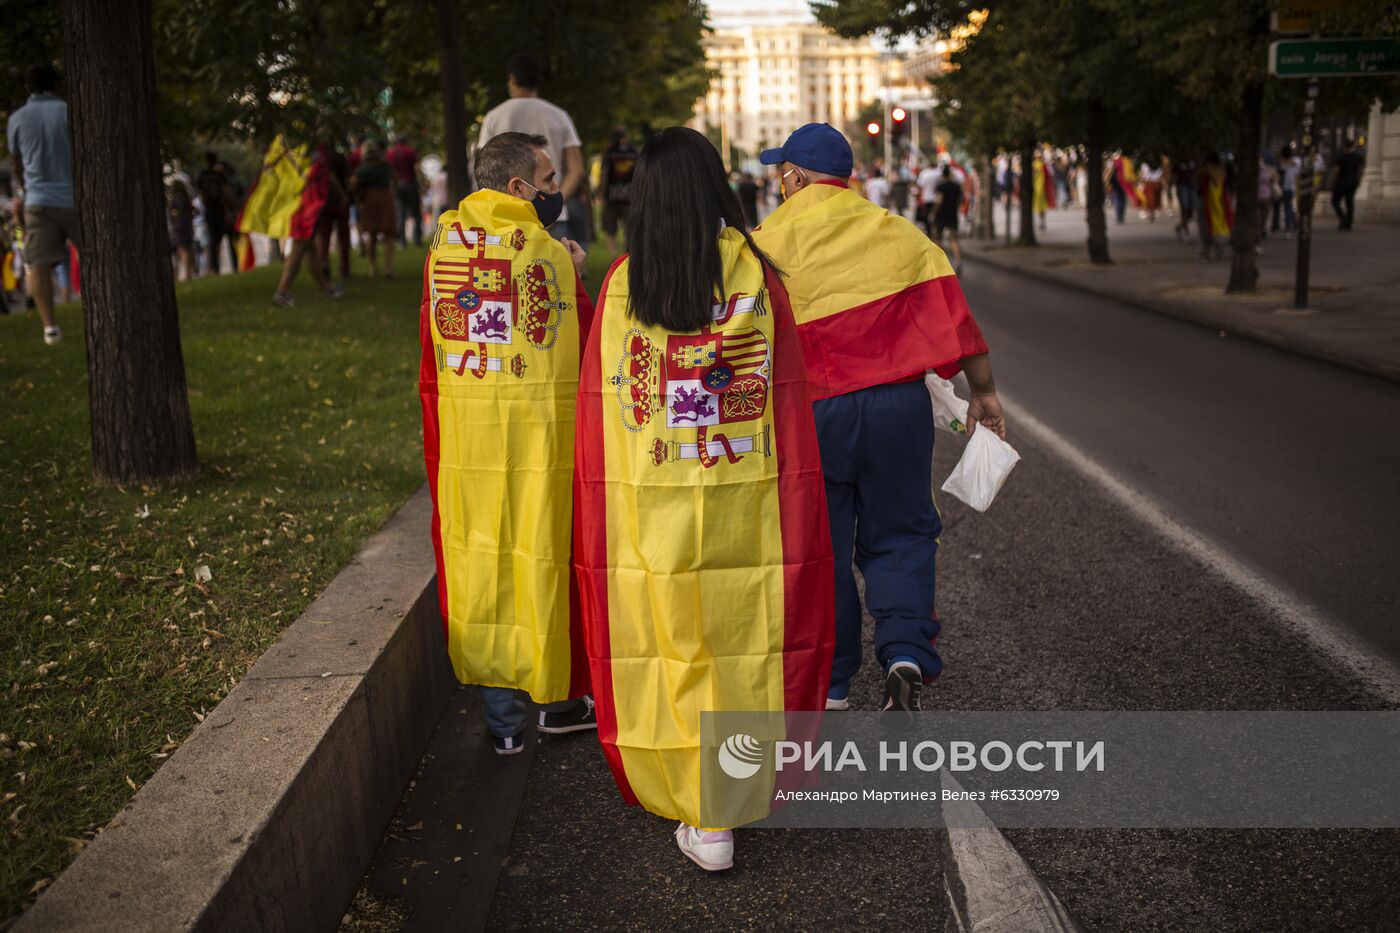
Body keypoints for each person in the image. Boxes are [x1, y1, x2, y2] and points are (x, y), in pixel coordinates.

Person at [575, 126, 833, 872]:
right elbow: (787, 391)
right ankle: (731, 791)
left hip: (651, 507)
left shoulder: (627, 281)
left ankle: (703, 813)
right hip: (747, 505)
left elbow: (606, 408)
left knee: (672, 649)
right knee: (743, 640)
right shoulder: (754, 272)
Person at [752, 123, 1004, 717]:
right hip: (897, 406)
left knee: (823, 546)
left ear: (794, 175)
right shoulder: (896, 231)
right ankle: (905, 655)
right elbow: (956, 317)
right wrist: (985, 392)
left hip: (812, 413)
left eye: (779, 171)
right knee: (903, 532)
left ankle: (833, 682)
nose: (776, 181)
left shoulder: (761, 243)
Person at [421, 132, 596, 757]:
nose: (555, 190)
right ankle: (558, 700)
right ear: (519, 186)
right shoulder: (546, 251)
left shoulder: (446, 243)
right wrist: (573, 270)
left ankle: (502, 726)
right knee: (543, 558)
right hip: (539, 444)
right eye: (548, 180)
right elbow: (584, 334)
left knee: (482, 564)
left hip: (470, 445)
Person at [6, 64, 79, 345]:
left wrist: (26, 189)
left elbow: (16, 163)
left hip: (37, 200)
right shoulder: (67, 111)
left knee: (37, 264)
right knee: (93, 256)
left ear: (28, 87)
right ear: (56, 85)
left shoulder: (17, 118)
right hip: (74, 198)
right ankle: (99, 309)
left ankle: (50, 327)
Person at [478, 53, 585, 243]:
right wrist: (555, 203)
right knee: (558, 270)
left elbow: (483, 170)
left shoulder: (493, 117)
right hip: (554, 219)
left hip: (505, 219)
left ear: (511, 78)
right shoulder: (559, 116)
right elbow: (577, 170)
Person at [271, 141, 344, 307]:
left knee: (309, 249)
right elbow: (326, 175)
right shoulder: (314, 149)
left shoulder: (295, 148)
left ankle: (327, 289)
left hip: (302, 203)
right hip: (308, 205)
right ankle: (282, 292)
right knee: (300, 245)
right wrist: (341, 194)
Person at [351, 141, 397, 278]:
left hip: (369, 199)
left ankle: (372, 267)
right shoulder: (385, 167)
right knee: (389, 234)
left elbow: (353, 183)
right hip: (385, 198)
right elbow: (395, 178)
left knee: (372, 234)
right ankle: (389, 268)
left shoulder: (362, 169)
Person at [597, 126, 637, 255]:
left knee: (611, 227)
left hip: (612, 195)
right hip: (629, 195)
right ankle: (628, 252)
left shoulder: (609, 152)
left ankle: (614, 255)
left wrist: (602, 192)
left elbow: (604, 173)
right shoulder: (633, 152)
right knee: (629, 225)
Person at [316, 138, 352, 282]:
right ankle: (344, 267)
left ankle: (324, 263)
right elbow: (345, 178)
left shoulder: (318, 161)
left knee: (324, 236)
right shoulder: (339, 158)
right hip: (339, 201)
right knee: (343, 236)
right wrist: (344, 195)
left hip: (323, 202)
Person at [195, 152, 234, 276]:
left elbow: (200, 194)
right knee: (223, 238)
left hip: (209, 210)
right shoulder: (219, 175)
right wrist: (230, 207)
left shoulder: (201, 175)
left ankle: (214, 268)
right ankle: (232, 265)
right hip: (220, 209)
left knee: (213, 239)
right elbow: (225, 192)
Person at [386, 134, 423, 247]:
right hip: (410, 185)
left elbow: (390, 171)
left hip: (398, 187)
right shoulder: (410, 151)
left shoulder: (391, 153)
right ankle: (417, 239)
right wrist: (421, 184)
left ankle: (402, 241)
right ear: (406, 141)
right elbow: (417, 168)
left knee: (400, 214)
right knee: (416, 213)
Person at [1198, 151, 1232, 261]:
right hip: (1217, 203)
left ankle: (1206, 252)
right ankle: (1217, 248)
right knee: (1214, 227)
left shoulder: (1207, 170)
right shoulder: (1221, 170)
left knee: (1205, 228)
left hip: (1207, 202)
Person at [932, 165, 964, 273]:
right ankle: (958, 261)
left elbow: (939, 200)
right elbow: (961, 199)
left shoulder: (941, 186)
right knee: (954, 239)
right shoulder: (956, 186)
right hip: (952, 214)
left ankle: (941, 261)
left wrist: (934, 211)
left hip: (941, 215)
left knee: (937, 238)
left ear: (942, 174)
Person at [167, 175, 197, 281]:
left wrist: (174, 214)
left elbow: (176, 212)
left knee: (182, 250)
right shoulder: (186, 197)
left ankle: (187, 274)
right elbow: (195, 210)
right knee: (187, 249)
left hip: (179, 226)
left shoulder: (177, 198)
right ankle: (191, 272)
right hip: (187, 225)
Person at [1331, 140, 1364, 231]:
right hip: (1352, 182)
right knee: (1349, 202)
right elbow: (1360, 170)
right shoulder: (1358, 157)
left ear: (1343, 146)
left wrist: (1332, 182)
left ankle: (1343, 218)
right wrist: (1358, 180)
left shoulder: (1341, 157)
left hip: (1341, 183)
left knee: (1335, 201)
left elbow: (1336, 171)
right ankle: (1349, 223)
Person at [1273, 144, 1299, 237]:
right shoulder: (1295, 163)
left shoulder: (1280, 163)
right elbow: (1297, 175)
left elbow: (1276, 175)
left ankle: (1274, 227)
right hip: (1290, 188)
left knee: (1276, 208)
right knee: (1288, 208)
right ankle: (1288, 230)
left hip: (1279, 188)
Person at [1172, 157, 1197, 243]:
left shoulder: (1194, 159)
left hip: (1192, 187)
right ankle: (1187, 234)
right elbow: (1173, 174)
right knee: (1185, 210)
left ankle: (1179, 227)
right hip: (1182, 186)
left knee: (1191, 212)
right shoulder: (1178, 161)